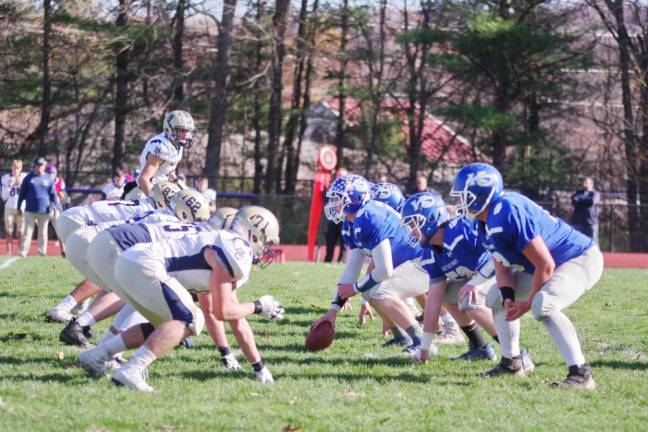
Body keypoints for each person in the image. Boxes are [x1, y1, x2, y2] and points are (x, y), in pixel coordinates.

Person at [79, 206, 284, 391]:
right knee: (191, 320)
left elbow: (236, 318)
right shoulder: (237, 250)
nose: (265, 249)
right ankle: (132, 369)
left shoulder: (224, 243)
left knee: (167, 324)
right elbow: (223, 312)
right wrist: (259, 306)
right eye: (266, 241)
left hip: (131, 261)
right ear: (254, 235)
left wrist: (260, 368)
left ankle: (97, 355)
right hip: (144, 265)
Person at [452, 162, 603, 389]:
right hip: (541, 266)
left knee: (543, 304)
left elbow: (545, 264)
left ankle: (581, 373)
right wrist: (509, 298)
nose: (460, 202)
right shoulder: (484, 222)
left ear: (481, 194)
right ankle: (512, 362)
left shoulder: (507, 212)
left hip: (578, 259)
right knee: (495, 299)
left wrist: (527, 304)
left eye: (464, 195)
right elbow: (501, 265)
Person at [313, 174, 429, 353]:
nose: (333, 203)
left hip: (423, 264)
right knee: (368, 290)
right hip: (407, 264)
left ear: (354, 199)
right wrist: (332, 311)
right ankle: (400, 336)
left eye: (338, 198)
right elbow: (352, 268)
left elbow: (384, 271)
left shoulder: (369, 216)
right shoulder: (352, 221)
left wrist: (355, 289)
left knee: (377, 292)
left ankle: (421, 340)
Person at [401, 192, 502, 363]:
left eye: (414, 223)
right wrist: (424, 348)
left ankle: (515, 353)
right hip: (478, 275)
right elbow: (433, 301)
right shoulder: (430, 252)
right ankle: (480, 347)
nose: (411, 230)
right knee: (446, 295)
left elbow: (498, 252)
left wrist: (477, 283)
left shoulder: (463, 230)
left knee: (469, 300)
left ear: (431, 219)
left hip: (502, 268)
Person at [123, 110, 195, 199]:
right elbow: (144, 179)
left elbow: (166, 167)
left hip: (158, 190)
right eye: (182, 130)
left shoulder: (176, 144)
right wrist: (154, 201)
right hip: (143, 193)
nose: (186, 135)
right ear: (169, 128)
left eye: (188, 131)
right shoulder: (162, 146)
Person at [17, 157, 58, 257]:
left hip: (45, 210)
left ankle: (42, 252)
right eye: (38, 165)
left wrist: (54, 207)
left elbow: (53, 195)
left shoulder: (48, 178)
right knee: (27, 232)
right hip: (30, 210)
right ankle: (23, 252)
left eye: (41, 165)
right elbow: (22, 194)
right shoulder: (28, 178)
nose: (39, 167)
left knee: (43, 233)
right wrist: (19, 207)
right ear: (35, 166)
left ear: (44, 167)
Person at [1, 160, 27, 256]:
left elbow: (26, 192)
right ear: (11, 167)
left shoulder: (24, 177)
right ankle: (9, 251)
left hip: (20, 208)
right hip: (9, 208)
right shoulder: (5, 178)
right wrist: (9, 185)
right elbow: (4, 197)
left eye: (18, 168)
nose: (15, 170)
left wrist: (18, 180)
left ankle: (20, 251)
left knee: (20, 231)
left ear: (21, 169)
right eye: (14, 168)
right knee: (9, 231)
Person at [323, 168, 348, 263]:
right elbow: (326, 199)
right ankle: (328, 259)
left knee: (344, 241)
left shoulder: (349, 188)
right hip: (333, 218)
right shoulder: (332, 187)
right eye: (339, 175)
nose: (340, 177)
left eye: (342, 175)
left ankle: (341, 261)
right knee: (330, 240)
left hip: (344, 219)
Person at [571, 177, 600, 244]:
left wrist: (581, 198)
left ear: (591, 184)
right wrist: (585, 199)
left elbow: (592, 202)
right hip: (578, 221)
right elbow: (573, 200)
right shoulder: (578, 192)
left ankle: (594, 254)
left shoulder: (595, 193)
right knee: (577, 241)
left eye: (586, 183)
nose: (584, 185)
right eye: (583, 183)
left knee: (593, 241)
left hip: (591, 221)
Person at [46, 164, 67, 252]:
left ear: (56, 173)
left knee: (59, 230)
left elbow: (62, 196)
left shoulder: (60, 182)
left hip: (56, 208)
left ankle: (64, 251)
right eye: (49, 172)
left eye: (53, 172)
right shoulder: (44, 181)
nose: (51, 174)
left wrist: (55, 189)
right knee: (42, 231)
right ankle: (42, 252)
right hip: (44, 208)